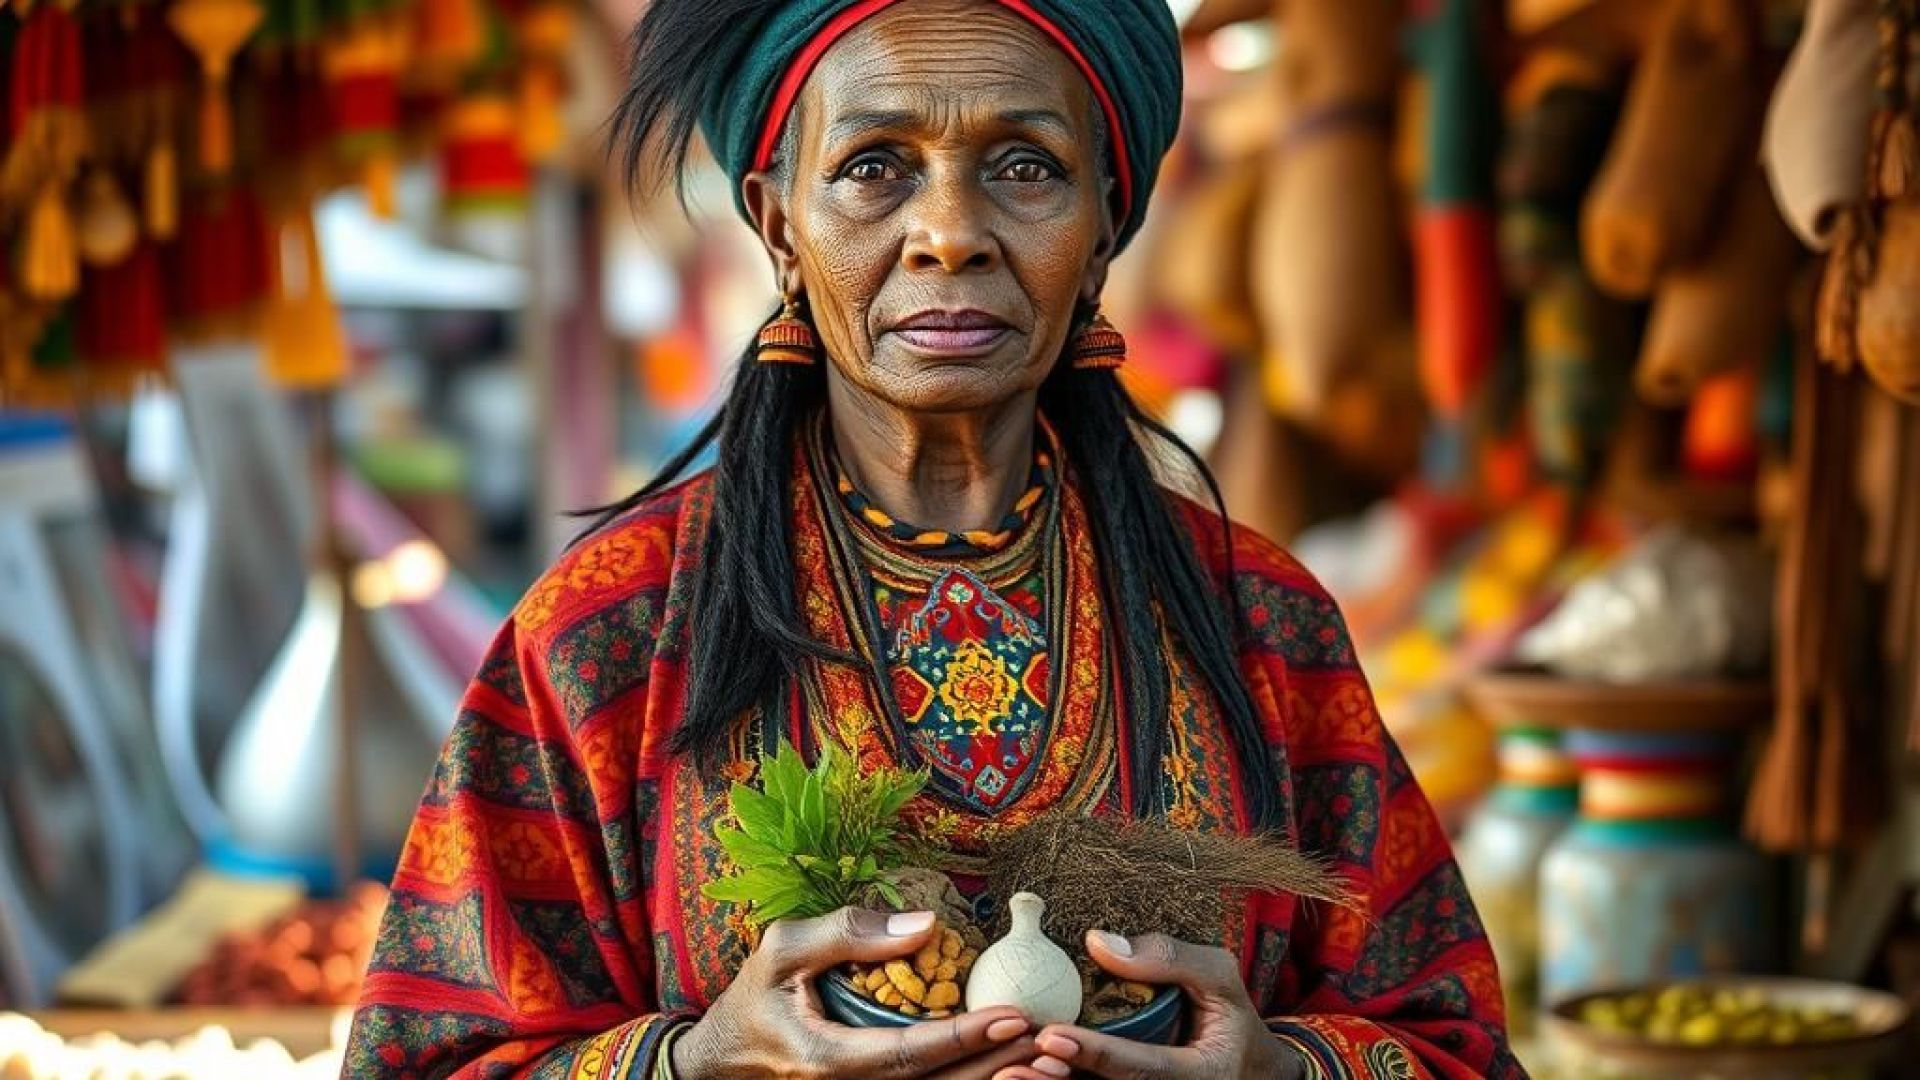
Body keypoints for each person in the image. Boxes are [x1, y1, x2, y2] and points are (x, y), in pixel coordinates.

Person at [344, 1, 1521, 1077]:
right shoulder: (610, 631)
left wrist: (1281, 1070)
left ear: (1107, 220)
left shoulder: (1262, 623)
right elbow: (423, 1059)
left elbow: (1456, 1047)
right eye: (872, 168)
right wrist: (695, 1063)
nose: (949, 232)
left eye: (1025, 167)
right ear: (779, 224)